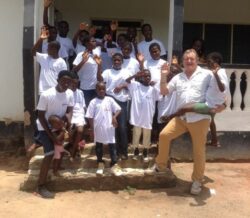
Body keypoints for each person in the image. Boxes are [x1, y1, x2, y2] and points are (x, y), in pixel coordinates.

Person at [152, 49, 213, 195]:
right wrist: (163, 76)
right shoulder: (178, 77)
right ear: (182, 62)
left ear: (197, 60)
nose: (189, 61)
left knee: (198, 151)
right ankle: (161, 166)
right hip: (182, 118)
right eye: (186, 59)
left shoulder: (207, 75)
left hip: (199, 119)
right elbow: (164, 91)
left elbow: (216, 94)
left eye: (192, 59)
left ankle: (197, 181)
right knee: (164, 135)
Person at [35, 70, 74, 198]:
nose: (66, 84)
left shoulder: (69, 94)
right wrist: (51, 136)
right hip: (45, 127)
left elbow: (69, 110)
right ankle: (41, 186)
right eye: (64, 81)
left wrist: (67, 121)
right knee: (49, 153)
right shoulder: (46, 95)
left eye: (69, 82)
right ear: (58, 80)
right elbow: (40, 116)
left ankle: (55, 169)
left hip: (59, 127)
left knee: (59, 150)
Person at [97, 53, 131, 160]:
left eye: (119, 60)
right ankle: (115, 152)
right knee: (113, 128)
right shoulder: (107, 72)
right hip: (110, 101)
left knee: (122, 127)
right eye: (115, 60)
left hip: (122, 102)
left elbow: (131, 84)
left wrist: (122, 86)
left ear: (122, 61)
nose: (117, 62)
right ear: (112, 61)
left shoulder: (127, 72)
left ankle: (124, 151)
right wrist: (99, 66)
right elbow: (100, 80)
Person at [85, 82, 122, 176]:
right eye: (99, 89)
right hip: (98, 128)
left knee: (112, 147)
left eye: (103, 89)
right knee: (99, 147)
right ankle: (100, 164)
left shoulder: (110, 99)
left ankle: (114, 164)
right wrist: (92, 129)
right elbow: (90, 116)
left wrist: (114, 117)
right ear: (96, 90)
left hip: (109, 127)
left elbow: (118, 109)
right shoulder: (93, 102)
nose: (101, 91)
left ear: (105, 90)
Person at [126, 70, 160, 162]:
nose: (147, 77)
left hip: (148, 116)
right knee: (136, 133)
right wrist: (135, 75)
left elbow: (160, 97)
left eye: (149, 76)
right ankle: (135, 151)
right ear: (141, 77)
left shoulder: (153, 89)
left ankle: (145, 151)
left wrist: (155, 86)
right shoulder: (136, 86)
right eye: (145, 76)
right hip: (137, 116)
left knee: (147, 134)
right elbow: (127, 81)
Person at [32, 27, 67, 95]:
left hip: (55, 91)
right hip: (43, 91)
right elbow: (33, 52)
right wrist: (41, 38)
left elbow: (63, 77)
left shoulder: (61, 62)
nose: (47, 50)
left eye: (49, 48)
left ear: (55, 49)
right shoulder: (44, 57)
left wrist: (61, 89)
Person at [72, 35, 102, 107]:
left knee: (95, 108)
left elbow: (99, 71)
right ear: (87, 43)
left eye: (95, 41)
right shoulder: (81, 55)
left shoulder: (96, 55)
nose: (95, 42)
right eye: (93, 41)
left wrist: (99, 64)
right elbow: (74, 70)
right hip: (85, 87)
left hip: (96, 87)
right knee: (86, 107)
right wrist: (83, 61)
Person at [69, 73, 86, 159]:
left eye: (76, 83)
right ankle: (75, 149)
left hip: (79, 114)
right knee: (70, 132)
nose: (74, 85)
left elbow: (83, 106)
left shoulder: (80, 92)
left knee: (79, 131)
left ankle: (73, 150)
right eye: (72, 83)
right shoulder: (66, 93)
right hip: (70, 115)